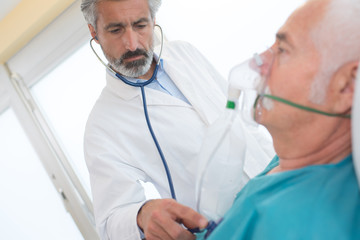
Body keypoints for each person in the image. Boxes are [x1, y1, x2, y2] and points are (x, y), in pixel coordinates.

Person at [80, 0, 273, 239]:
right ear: (94, 31)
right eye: (116, 29)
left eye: (140, 25)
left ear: (154, 21)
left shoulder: (185, 53)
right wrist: (142, 213)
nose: (132, 44)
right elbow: (110, 221)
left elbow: (241, 123)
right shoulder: (102, 126)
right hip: (230, 230)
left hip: (279, 186)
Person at [200, 0, 360, 239]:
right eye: (270, 47)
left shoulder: (301, 227)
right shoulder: (299, 153)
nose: (258, 62)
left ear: (347, 86)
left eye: (283, 50)